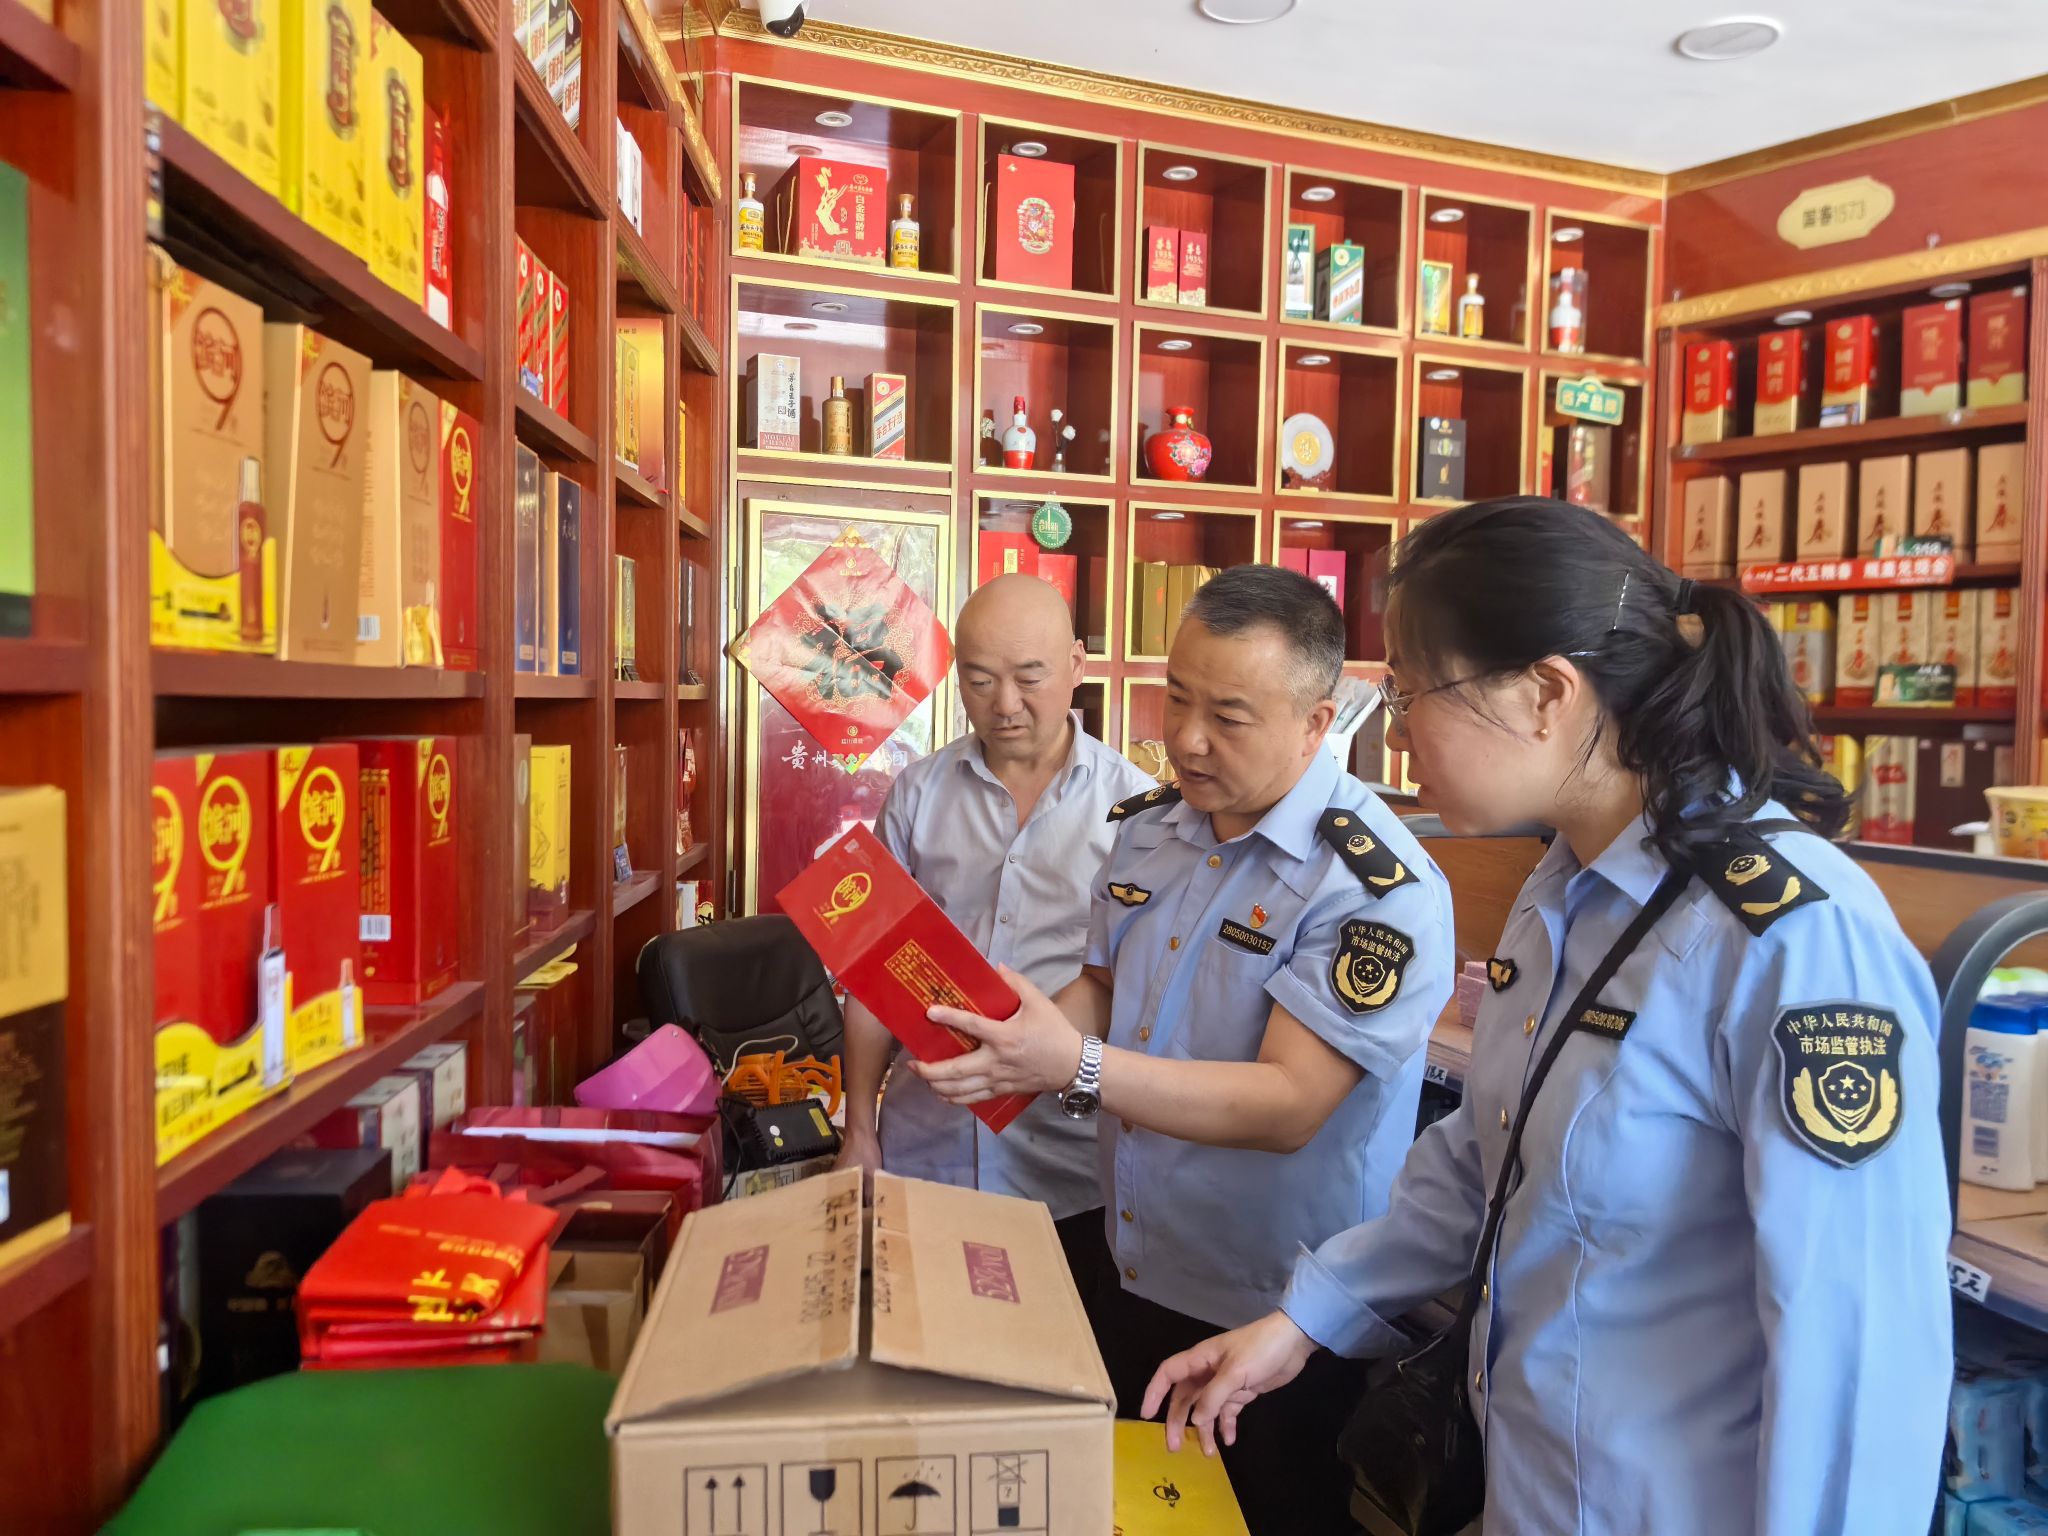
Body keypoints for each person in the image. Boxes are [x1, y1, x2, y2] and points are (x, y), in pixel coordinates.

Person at [1145, 498, 1952, 1536]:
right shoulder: (1559, 889)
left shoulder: (1794, 940)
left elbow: (1857, 1354)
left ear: (1543, 695)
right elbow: (1492, 1158)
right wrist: (1305, 1318)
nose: (1396, 731)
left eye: (1411, 691)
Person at [916, 565, 1454, 1534]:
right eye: (1176, 699)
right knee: (1126, 1510)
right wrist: (1020, 1035)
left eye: (1228, 716)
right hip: (1128, 1256)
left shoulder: (1371, 886)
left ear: (1316, 721)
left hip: (1271, 1310)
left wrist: (1072, 1065)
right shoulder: (1151, 830)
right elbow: (1105, 986)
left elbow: (1287, 1104)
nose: (1188, 737)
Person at [833, 572, 1156, 1305]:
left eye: (1029, 679)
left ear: (1077, 664)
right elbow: (872, 975)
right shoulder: (917, 794)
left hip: (1068, 1166)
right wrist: (860, 1128)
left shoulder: (1138, 811)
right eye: (979, 681)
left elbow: (1131, 986)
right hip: (926, 1149)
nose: (1005, 705)